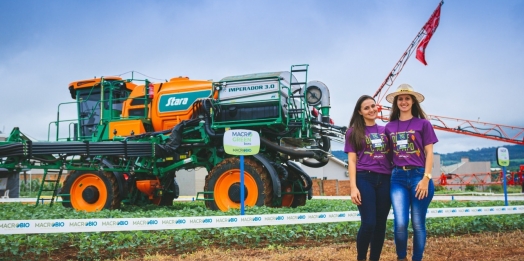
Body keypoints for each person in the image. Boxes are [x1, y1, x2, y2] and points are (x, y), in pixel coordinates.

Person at [384, 84, 438, 261]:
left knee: (417, 223)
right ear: (396, 102)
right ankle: (401, 258)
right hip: (397, 178)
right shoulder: (389, 127)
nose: (404, 101)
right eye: (400, 99)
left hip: (419, 176)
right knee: (400, 223)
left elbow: (430, 152)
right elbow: (385, 155)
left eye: (407, 98)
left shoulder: (424, 124)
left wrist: (426, 178)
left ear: (413, 101)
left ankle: (417, 258)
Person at [345, 95, 392, 261]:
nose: (372, 110)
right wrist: (353, 187)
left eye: (373, 106)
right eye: (367, 108)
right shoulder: (353, 132)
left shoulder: (386, 130)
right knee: (369, 223)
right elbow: (351, 160)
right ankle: (361, 258)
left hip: (385, 180)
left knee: (380, 226)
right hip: (365, 179)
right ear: (360, 112)